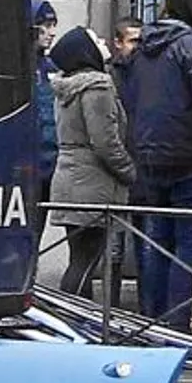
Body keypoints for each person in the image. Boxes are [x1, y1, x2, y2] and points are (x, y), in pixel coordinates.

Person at [123, 0, 192, 333]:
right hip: (188, 157)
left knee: (158, 241)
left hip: (148, 156)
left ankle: (152, 322)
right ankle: (175, 328)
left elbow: (131, 99)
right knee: (189, 245)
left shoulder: (143, 46)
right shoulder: (191, 46)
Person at [47, 26, 138, 299]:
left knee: (79, 258)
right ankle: (74, 322)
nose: (103, 42)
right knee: (86, 261)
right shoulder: (97, 86)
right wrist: (129, 171)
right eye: (96, 39)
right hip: (93, 184)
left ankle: (73, 320)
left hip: (70, 179)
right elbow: (105, 141)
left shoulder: (67, 87)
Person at [32, 0, 59, 211]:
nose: (51, 33)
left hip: (50, 164)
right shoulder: (18, 65)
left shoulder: (51, 67)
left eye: (53, 26)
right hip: (25, 164)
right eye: (46, 26)